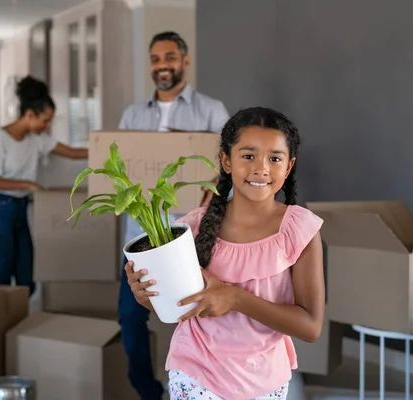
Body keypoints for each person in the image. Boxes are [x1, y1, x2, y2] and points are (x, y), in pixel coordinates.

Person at [125, 107, 325, 400]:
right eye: (248, 155)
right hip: (196, 371)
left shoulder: (301, 229)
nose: (261, 168)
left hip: (266, 379)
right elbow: (178, 307)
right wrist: (145, 297)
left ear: (289, 165)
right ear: (225, 160)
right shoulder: (189, 229)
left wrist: (235, 298)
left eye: (274, 158)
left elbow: (310, 327)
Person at [117, 31, 231, 400]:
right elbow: (118, 170)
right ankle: (150, 392)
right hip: (141, 238)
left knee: (201, 319)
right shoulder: (133, 115)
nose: (162, 65)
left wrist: (213, 184)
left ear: (184, 61)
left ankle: (199, 388)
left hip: (194, 238)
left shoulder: (212, 110)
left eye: (169, 57)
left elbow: (228, 167)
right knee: (131, 319)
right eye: (155, 58)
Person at [0, 75, 87, 297]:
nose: (47, 126)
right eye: (45, 120)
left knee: (26, 278)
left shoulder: (36, 139)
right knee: (1, 277)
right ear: (30, 114)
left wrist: (110, 148)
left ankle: (20, 327)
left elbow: (73, 153)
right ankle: (0, 327)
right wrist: (27, 183)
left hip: (19, 209)